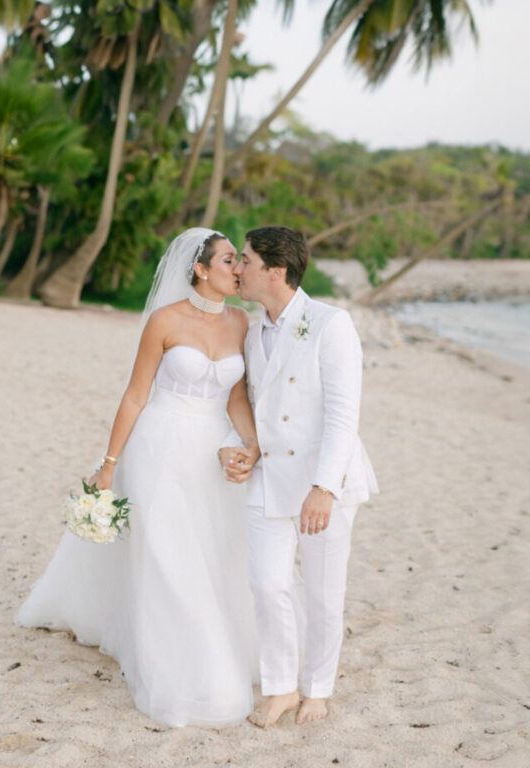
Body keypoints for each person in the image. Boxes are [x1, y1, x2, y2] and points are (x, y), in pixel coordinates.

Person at [15, 228, 261, 728]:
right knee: (167, 554)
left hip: (213, 448)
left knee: (213, 549)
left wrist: (252, 447)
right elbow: (135, 395)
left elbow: (236, 397)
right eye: (229, 259)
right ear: (199, 268)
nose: (237, 268)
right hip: (160, 445)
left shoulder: (241, 322)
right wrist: (108, 465)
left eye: (239, 260)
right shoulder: (164, 321)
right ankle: (183, 666)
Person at [220, 225, 378, 727]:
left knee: (324, 591)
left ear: (276, 271)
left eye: (244, 260)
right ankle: (281, 687)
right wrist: (242, 448)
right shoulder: (251, 328)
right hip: (271, 475)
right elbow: (252, 405)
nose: (237, 268)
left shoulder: (331, 324)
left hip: (322, 481)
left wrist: (324, 487)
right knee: (267, 584)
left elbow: (342, 415)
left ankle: (317, 689)